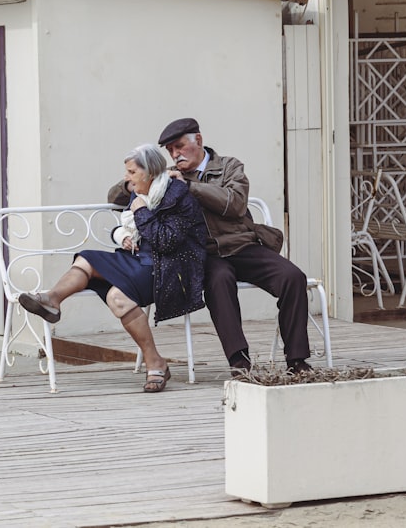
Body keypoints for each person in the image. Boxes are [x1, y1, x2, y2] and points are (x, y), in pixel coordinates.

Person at [18, 144, 208, 393]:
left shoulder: (177, 195)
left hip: (168, 269)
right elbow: (126, 220)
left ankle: (155, 362)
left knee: (116, 298)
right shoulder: (142, 192)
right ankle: (52, 300)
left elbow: (165, 241)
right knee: (86, 258)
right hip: (138, 259)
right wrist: (121, 236)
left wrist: (140, 211)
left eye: (131, 172)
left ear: (149, 172)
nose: (126, 177)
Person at [153, 117, 313, 375]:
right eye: (170, 150)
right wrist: (146, 176)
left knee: (293, 277)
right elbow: (118, 194)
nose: (175, 154)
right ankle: (239, 362)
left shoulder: (229, 166)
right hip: (206, 253)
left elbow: (235, 203)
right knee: (219, 280)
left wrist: (191, 188)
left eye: (179, 146)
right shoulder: (171, 177)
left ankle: (297, 360)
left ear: (199, 141)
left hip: (243, 245)